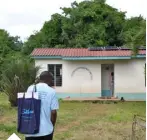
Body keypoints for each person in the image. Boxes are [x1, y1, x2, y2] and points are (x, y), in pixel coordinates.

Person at [25, 71, 59, 140]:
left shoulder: (30, 88)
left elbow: (27, 107)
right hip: (46, 131)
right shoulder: (52, 91)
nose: (52, 81)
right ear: (48, 79)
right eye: (52, 79)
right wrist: (52, 125)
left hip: (31, 130)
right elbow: (53, 112)